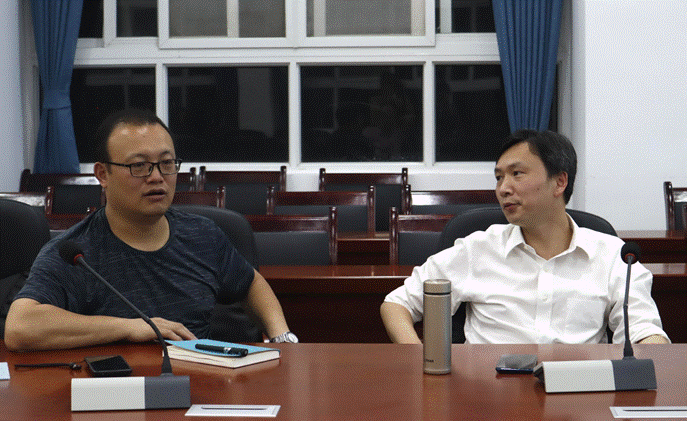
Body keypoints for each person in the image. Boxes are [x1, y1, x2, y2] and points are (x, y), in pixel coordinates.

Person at [4, 109, 297, 351]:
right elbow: (20, 327)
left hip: (201, 381)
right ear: (103, 174)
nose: (157, 177)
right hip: (115, 389)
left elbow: (251, 283)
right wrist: (130, 328)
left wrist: (281, 336)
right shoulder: (75, 252)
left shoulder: (203, 234)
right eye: (139, 166)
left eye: (167, 163)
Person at [380, 129, 669, 345]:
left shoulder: (612, 255)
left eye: (517, 174)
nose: (503, 188)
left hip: (576, 393)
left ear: (560, 182)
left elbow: (645, 332)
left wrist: (650, 356)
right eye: (499, 177)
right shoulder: (477, 249)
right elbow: (397, 304)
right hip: (485, 393)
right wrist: (419, 360)